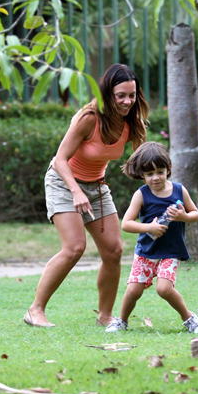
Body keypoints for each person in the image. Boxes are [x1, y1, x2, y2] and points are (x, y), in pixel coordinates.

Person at [24, 64, 149, 328]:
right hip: (63, 181)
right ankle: (35, 310)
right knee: (74, 248)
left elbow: (143, 164)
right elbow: (60, 159)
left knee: (114, 250)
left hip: (96, 185)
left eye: (132, 95)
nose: (127, 101)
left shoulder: (132, 123)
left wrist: (160, 191)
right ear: (107, 94)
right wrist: (75, 191)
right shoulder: (90, 118)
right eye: (121, 96)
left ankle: (105, 316)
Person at [105, 142, 198, 333]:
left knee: (164, 289)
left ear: (169, 169)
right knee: (134, 290)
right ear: (142, 175)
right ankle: (121, 321)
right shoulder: (141, 194)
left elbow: (195, 214)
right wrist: (149, 227)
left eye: (160, 171)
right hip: (146, 252)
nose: (155, 177)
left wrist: (183, 217)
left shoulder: (179, 190)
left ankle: (190, 319)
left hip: (171, 251)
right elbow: (126, 223)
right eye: (149, 174)